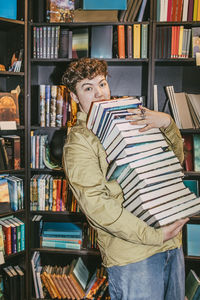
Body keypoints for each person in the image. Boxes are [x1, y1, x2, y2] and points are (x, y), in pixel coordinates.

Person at [62, 57, 189, 300]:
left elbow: (174, 163)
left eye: (102, 84)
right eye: (88, 88)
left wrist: (167, 123)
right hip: (134, 256)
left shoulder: (129, 117)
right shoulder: (79, 142)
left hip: (171, 243)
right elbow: (98, 208)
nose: (99, 93)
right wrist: (154, 236)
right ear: (75, 97)